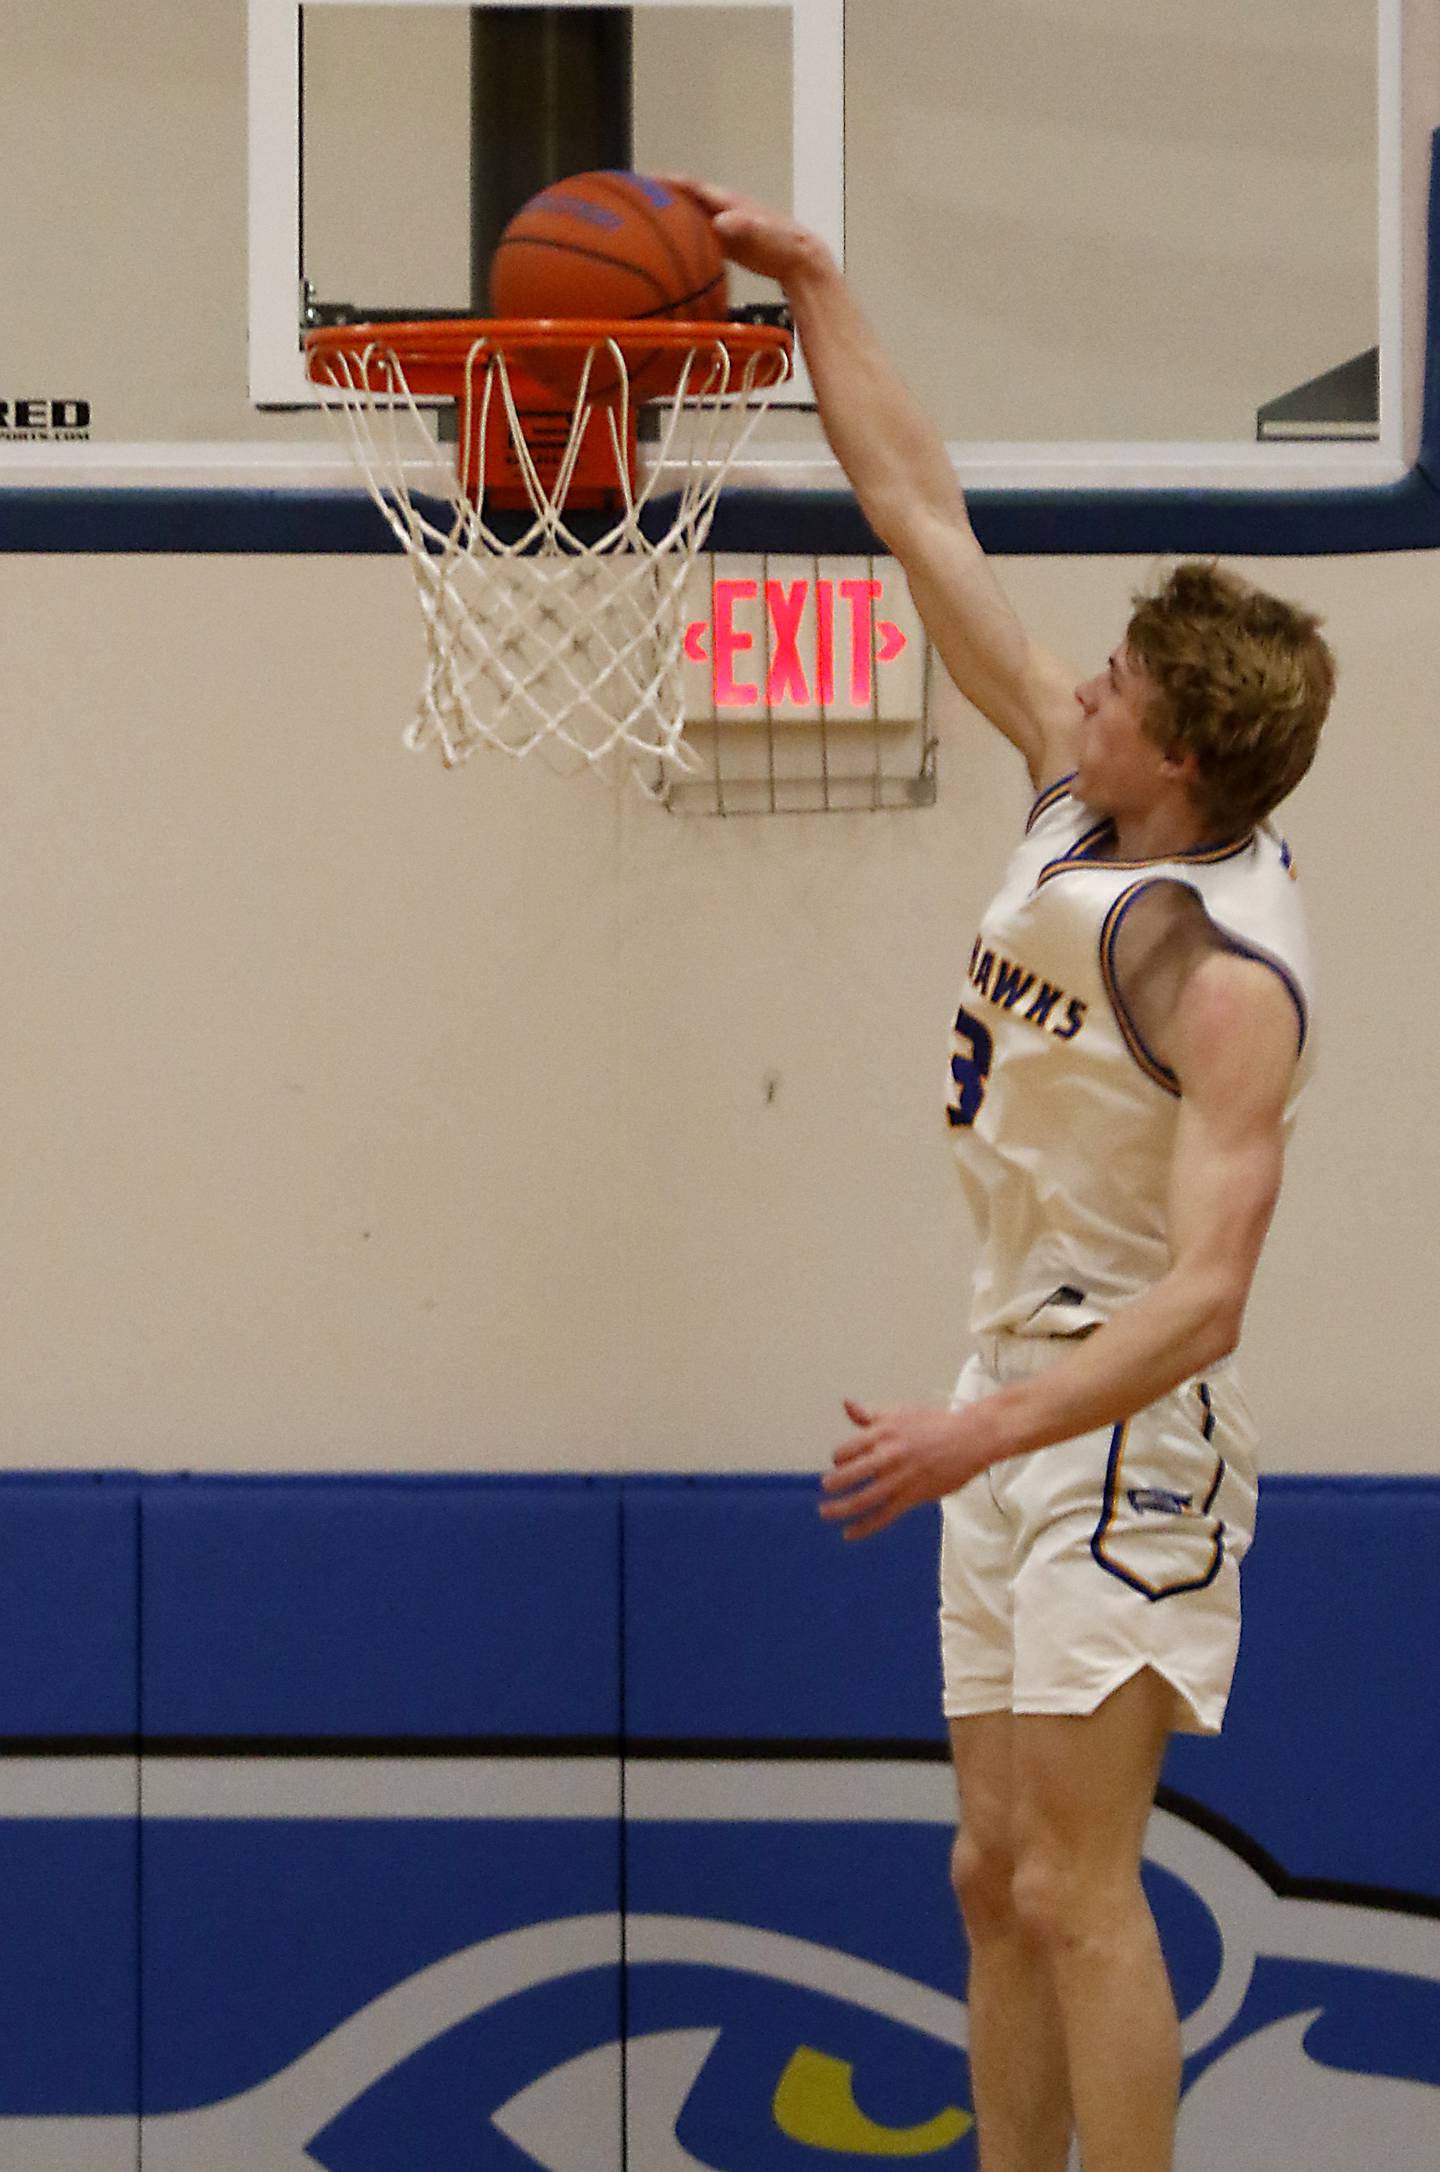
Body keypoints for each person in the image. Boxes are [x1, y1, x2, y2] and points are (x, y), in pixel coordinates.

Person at [677, 181, 1335, 2172]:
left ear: (1189, 764)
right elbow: (920, 517)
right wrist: (814, 287)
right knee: (989, 1876)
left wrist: (992, 1436)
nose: (1088, 684)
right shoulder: (1082, 794)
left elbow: (1205, 1302)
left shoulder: (1231, 981)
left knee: (1080, 1887)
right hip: (1007, 1390)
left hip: (1125, 1429)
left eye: (1125, 684)